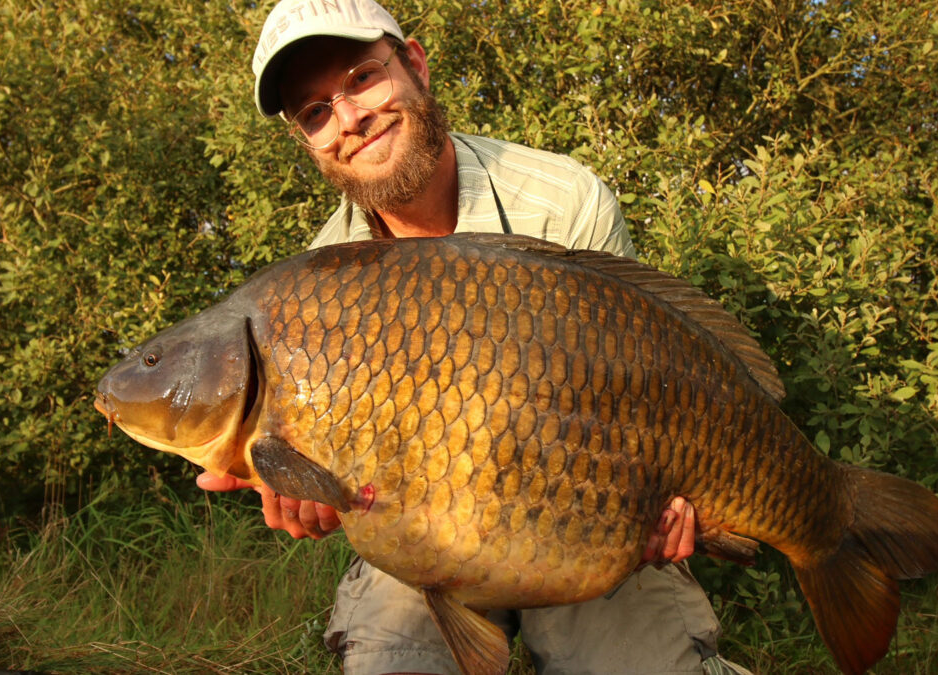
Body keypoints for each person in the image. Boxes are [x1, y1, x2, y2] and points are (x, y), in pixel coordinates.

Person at [199, 1, 750, 673]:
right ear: (307, 141)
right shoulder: (316, 278)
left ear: (417, 68)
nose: (349, 118)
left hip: (585, 521)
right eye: (315, 112)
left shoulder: (565, 200)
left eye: (364, 78)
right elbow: (342, 483)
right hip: (419, 545)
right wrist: (309, 498)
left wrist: (660, 511)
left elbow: (650, 384)